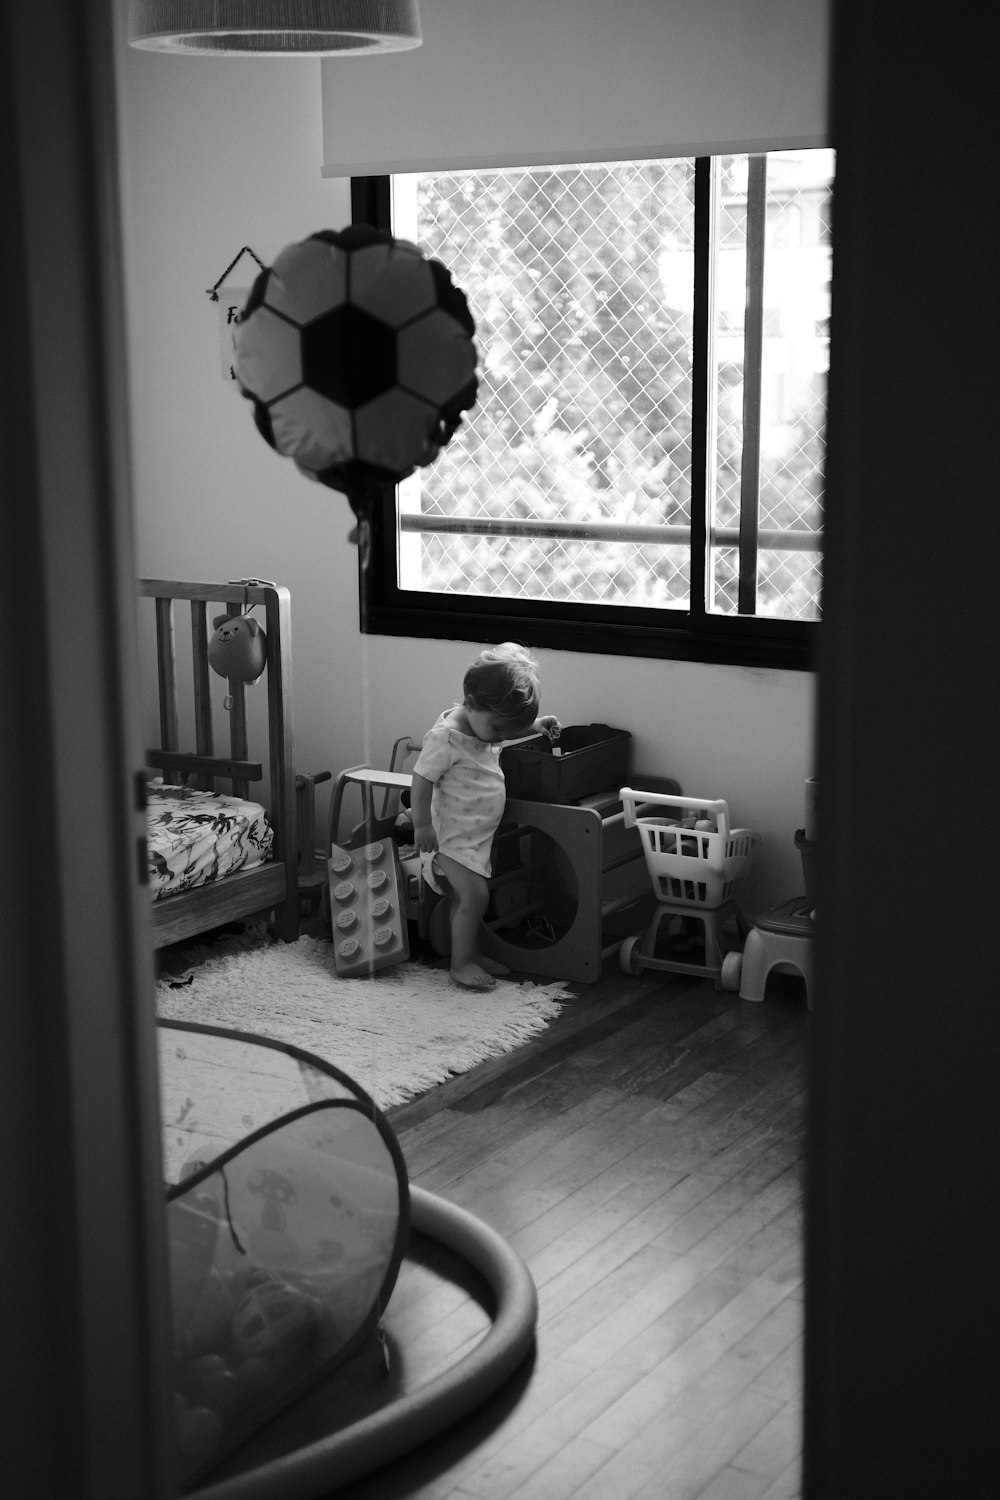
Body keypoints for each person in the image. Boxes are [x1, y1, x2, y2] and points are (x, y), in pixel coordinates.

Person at [410, 643, 561, 990]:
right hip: (449, 838)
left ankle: (470, 955)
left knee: (468, 900)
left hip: (474, 836)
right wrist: (421, 824)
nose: (501, 738)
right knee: (474, 897)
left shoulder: (482, 724)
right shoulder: (446, 738)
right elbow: (421, 779)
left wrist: (535, 726)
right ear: (472, 702)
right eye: (498, 729)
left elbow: (499, 729)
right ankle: (460, 964)